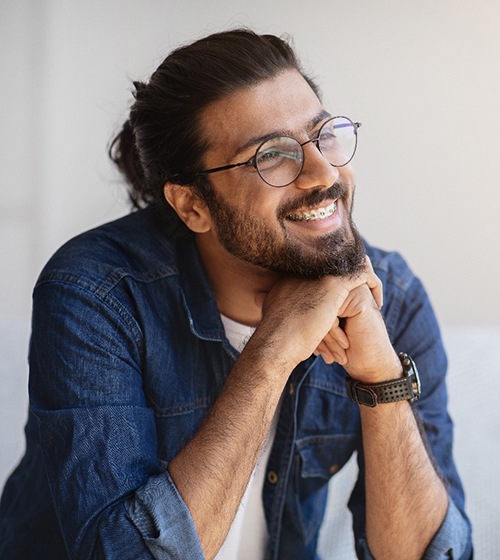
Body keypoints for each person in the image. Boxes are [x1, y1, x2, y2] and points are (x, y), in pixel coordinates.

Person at [0, 29, 472, 560]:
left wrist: (381, 380)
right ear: (192, 205)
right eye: (272, 156)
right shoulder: (97, 294)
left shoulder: (391, 298)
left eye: (324, 136)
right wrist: (270, 354)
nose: (324, 173)